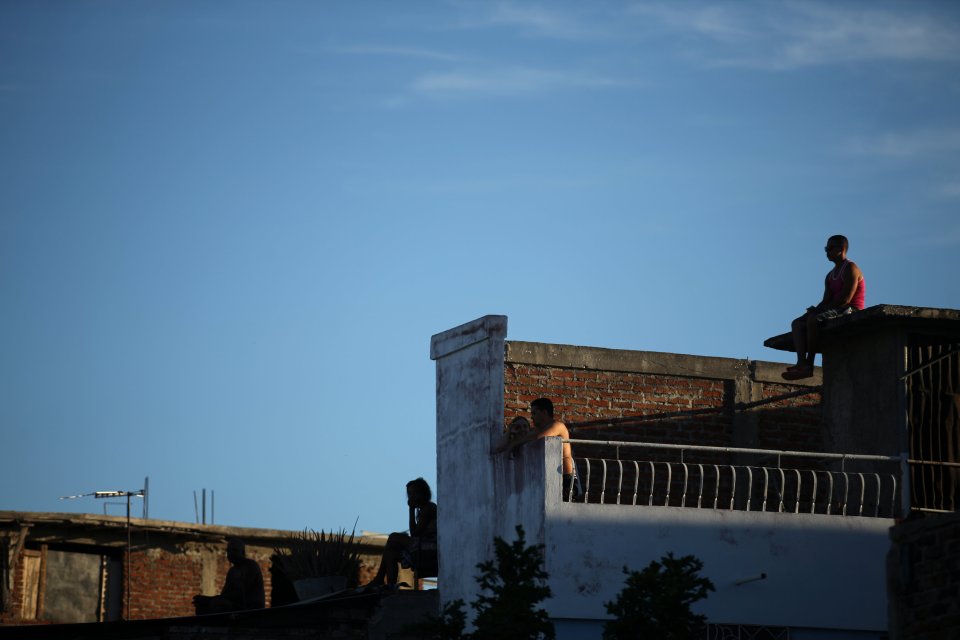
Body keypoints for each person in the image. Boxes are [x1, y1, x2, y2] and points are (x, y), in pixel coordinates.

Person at [782, 235, 866, 381]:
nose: (827, 252)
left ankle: (809, 364)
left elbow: (846, 299)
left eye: (830, 248)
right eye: (826, 249)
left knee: (813, 320)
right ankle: (801, 363)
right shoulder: (830, 276)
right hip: (833, 308)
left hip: (850, 309)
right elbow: (826, 300)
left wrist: (819, 311)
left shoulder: (851, 268)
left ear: (842, 249)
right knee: (797, 323)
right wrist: (815, 309)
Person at [496, 398, 581, 501]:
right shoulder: (537, 431)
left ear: (544, 412)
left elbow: (538, 437)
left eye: (534, 413)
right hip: (550, 479)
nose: (532, 417)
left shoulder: (558, 426)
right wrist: (510, 431)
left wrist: (514, 444)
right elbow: (499, 447)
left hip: (566, 478)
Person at [367, 477, 438, 587]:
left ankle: (379, 578)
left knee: (393, 537)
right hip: (421, 545)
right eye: (410, 494)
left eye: (415, 493)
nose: (412, 497)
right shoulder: (422, 510)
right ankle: (390, 584)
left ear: (423, 493)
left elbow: (415, 534)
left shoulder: (429, 508)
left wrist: (411, 510)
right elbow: (415, 533)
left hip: (429, 546)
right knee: (391, 552)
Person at [193, 538, 265, 614]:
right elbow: (225, 595)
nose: (230, 553)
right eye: (228, 550)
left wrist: (213, 600)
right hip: (235, 605)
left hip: (250, 608)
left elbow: (241, 595)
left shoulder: (250, 566)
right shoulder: (232, 571)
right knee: (201, 607)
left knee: (217, 604)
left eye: (234, 550)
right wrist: (207, 600)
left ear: (242, 553)